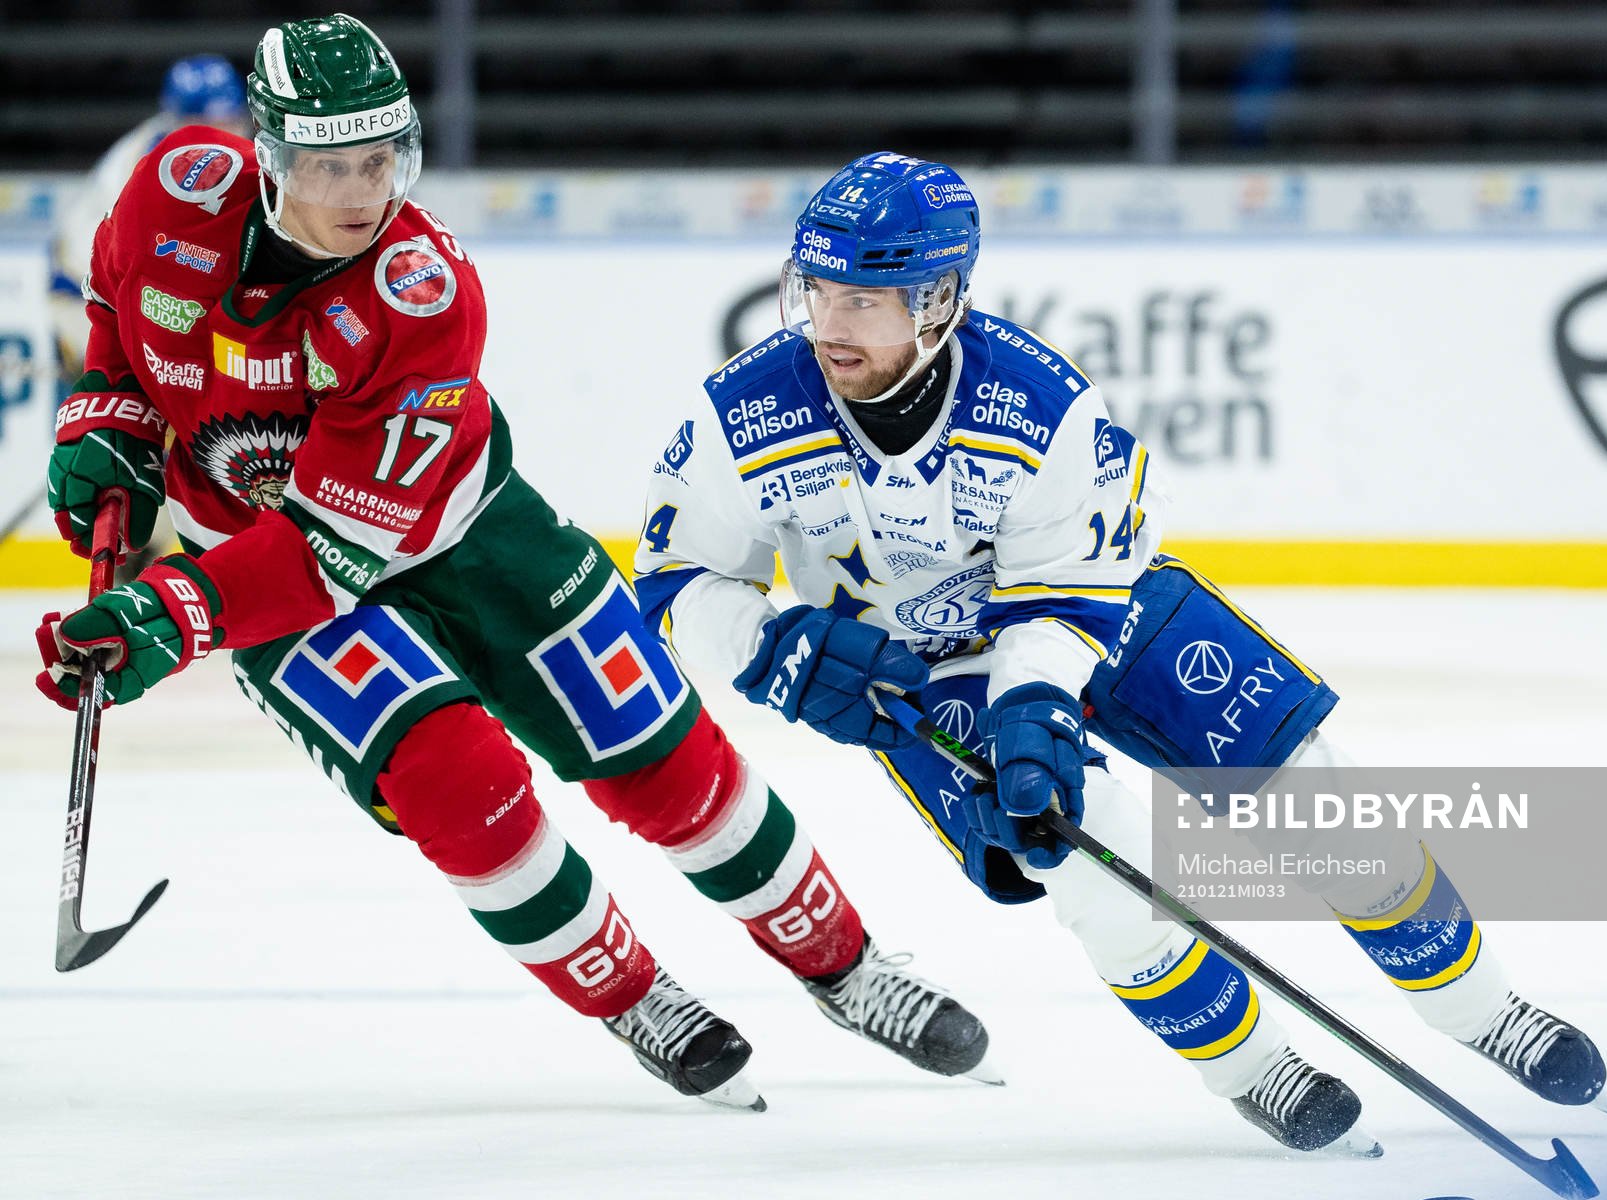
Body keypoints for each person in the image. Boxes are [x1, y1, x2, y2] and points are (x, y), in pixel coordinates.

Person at [33, 17, 995, 1113]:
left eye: (383, 159)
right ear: (268, 156)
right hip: (247, 562)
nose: (364, 192)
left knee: (657, 750)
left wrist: (169, 615)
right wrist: (106, 417)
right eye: (332, 165)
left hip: (458, 530)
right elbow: (114, 312)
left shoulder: (421, 293)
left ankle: (846, 966)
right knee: (457, 784)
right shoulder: (168, 193)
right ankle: (635, 996)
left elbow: (336, 548)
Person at [632, 151, 1607, 1152]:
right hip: (917, 673)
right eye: (816, 291)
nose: (829, 326)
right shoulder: (743, 411)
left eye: (864, 300)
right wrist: (771, 647)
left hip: (1098, 609)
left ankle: (1483, 1011)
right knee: (1090, 862)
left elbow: (1067, 591)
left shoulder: (1037, 404)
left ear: (937, 302)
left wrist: (1034, 702)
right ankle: (1256, 1069)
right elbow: (670, 578)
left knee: (1314, 793)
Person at [51, 55, 253, 386]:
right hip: (86, 298)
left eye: (232, 120)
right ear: (177, 121)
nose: (226, 132)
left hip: (116, 286)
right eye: (208, 123)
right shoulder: (152, 165)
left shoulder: (194, 154)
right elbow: (138, 262)